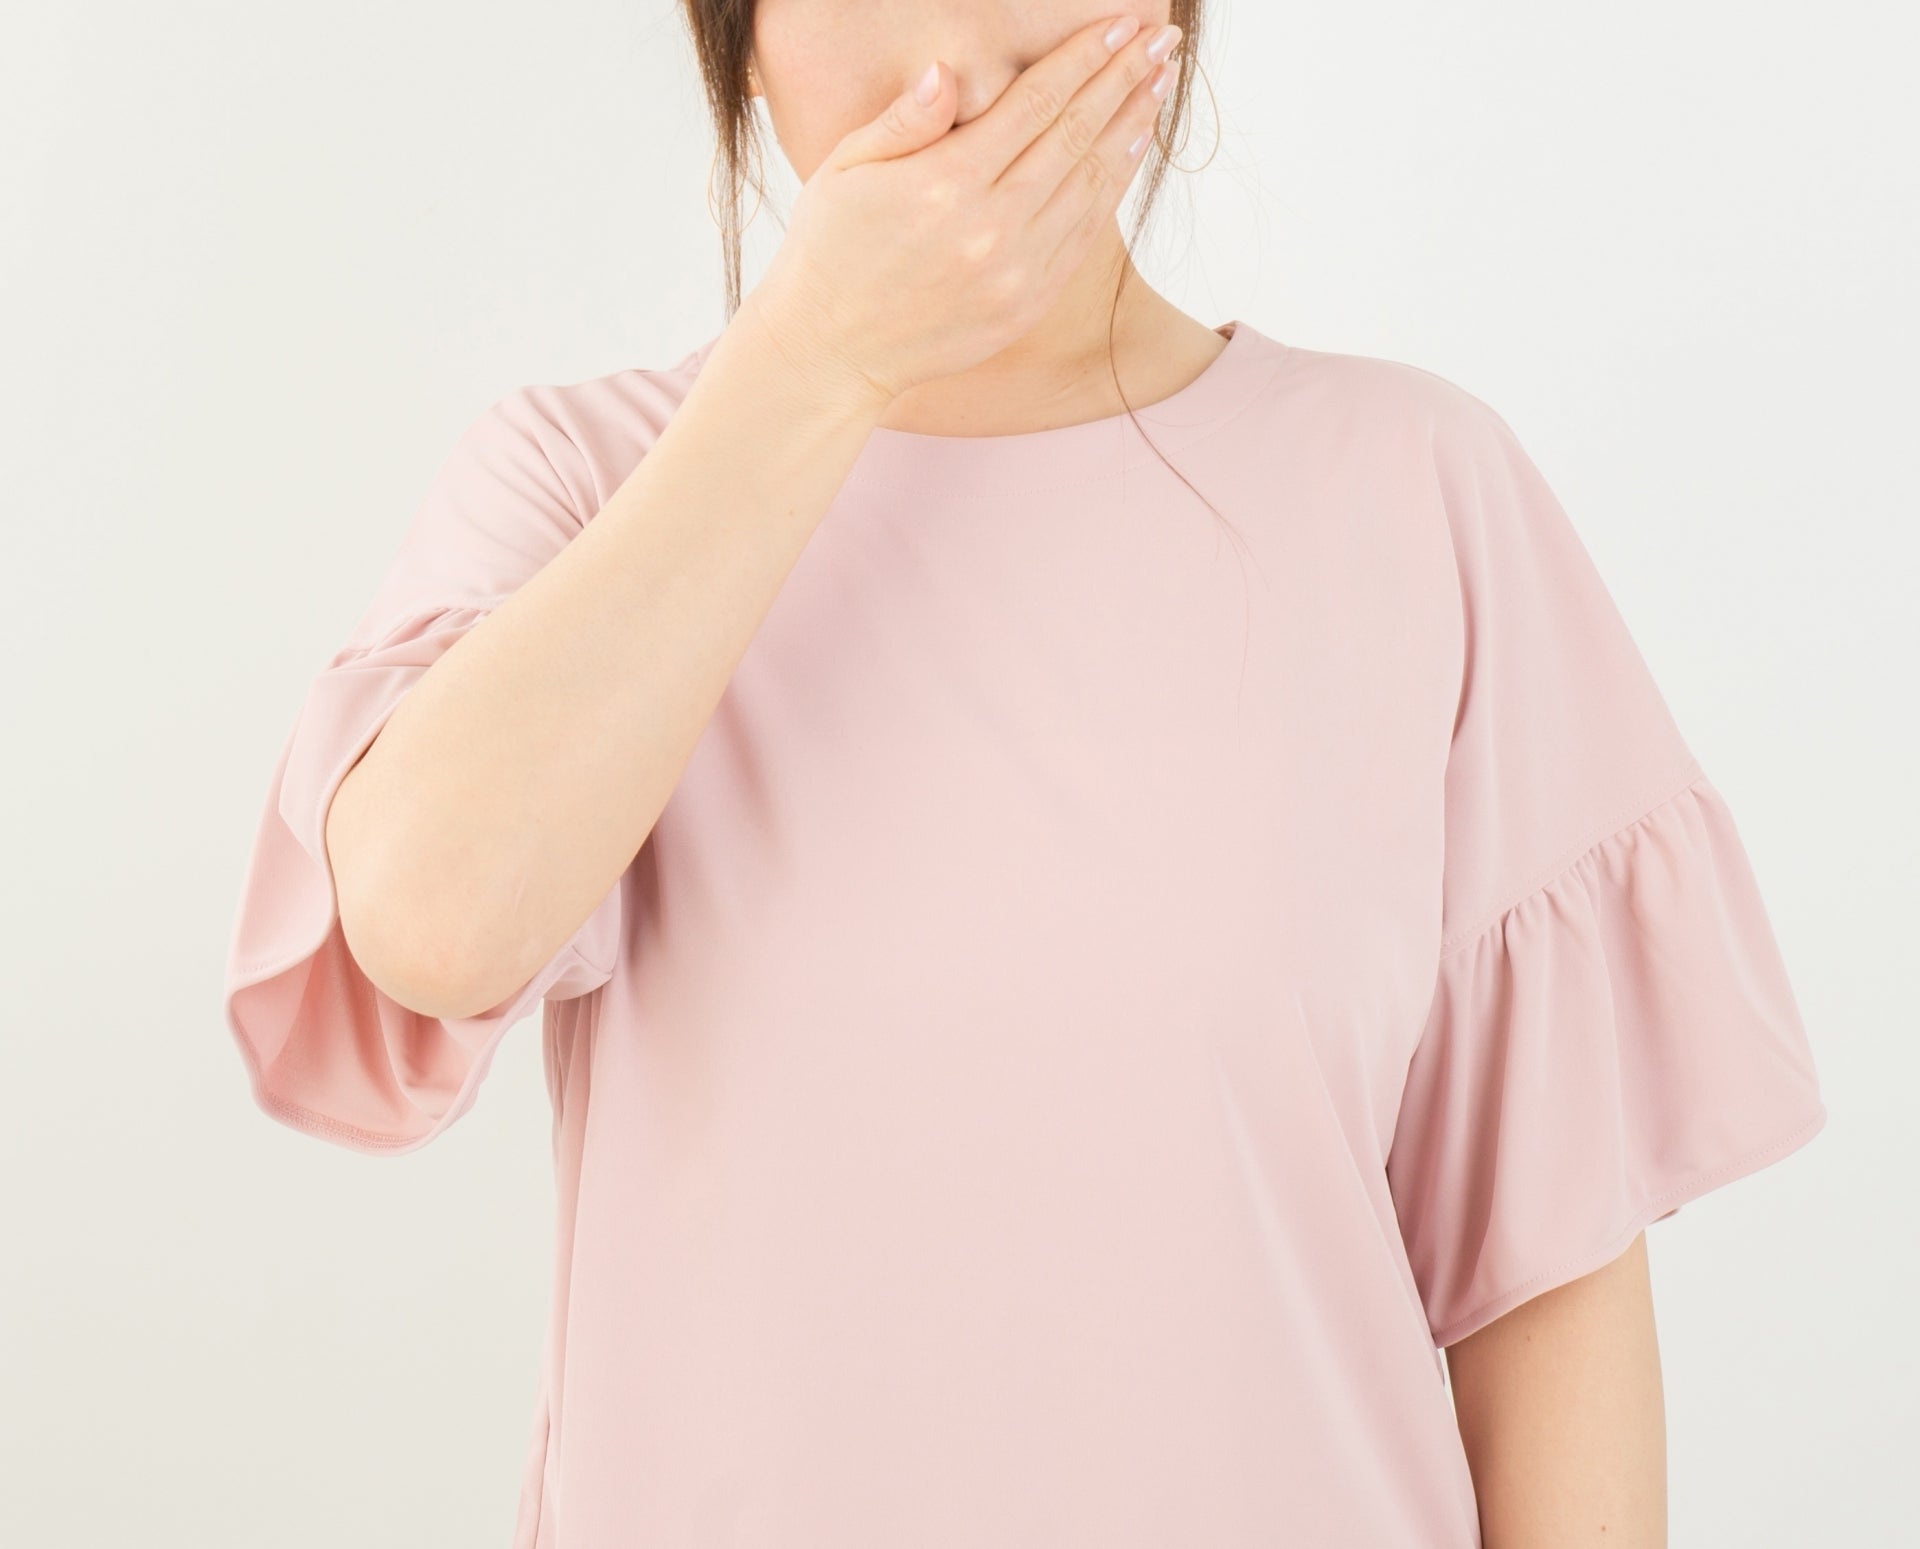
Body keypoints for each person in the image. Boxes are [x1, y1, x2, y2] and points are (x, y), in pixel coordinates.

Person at [221, 5, 1827, 1545]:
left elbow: (1545, 1291)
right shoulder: (585, 483)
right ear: (739, 32)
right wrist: (818, 361)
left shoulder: (1416, 488)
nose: (956, 57)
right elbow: (430, 920)